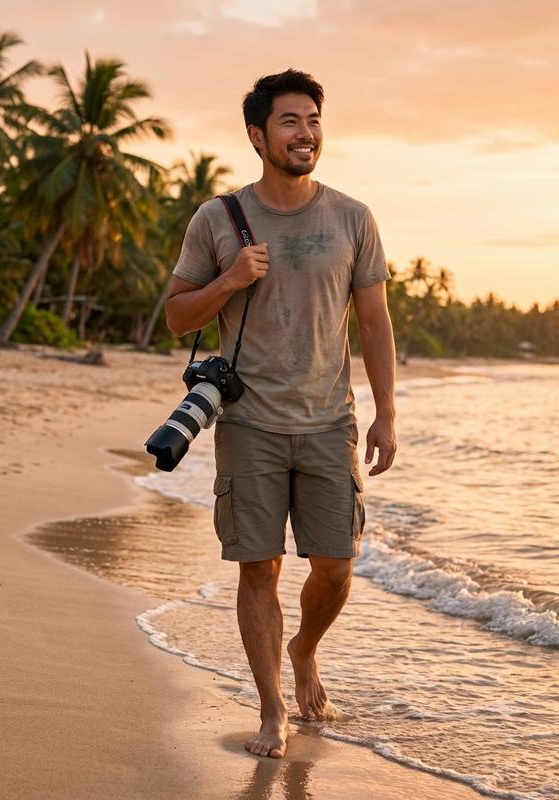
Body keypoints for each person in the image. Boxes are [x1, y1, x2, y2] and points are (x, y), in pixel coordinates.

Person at [165, 69, 397, 759]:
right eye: (291, 121)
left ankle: (304, 649)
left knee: (335, 565)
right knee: (257, 568)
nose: (306, 133)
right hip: (250, 423)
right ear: (257, 135)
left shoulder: (352, 217)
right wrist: (230, 279)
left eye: (314, 120)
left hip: (330, 421)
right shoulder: (218, 219)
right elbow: (177, 317)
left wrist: (386, 413)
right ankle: (272, 711)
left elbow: (376, 322)